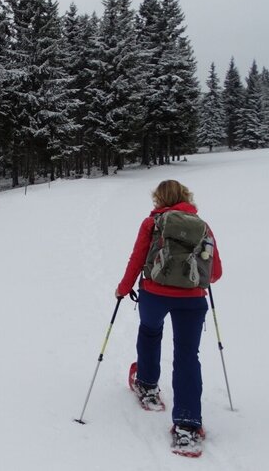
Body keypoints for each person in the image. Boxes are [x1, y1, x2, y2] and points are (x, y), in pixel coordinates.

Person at [115, 180, 223, 449]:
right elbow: (216, 273)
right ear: (186, 197)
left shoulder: (152, 224)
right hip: (192, 300)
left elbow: (137, 258)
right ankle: (187, 426)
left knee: (150, 332)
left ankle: (148, 386)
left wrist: (123, 288)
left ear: (159, 200)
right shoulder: (202, 227)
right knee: (187, 355)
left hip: (154, 294)